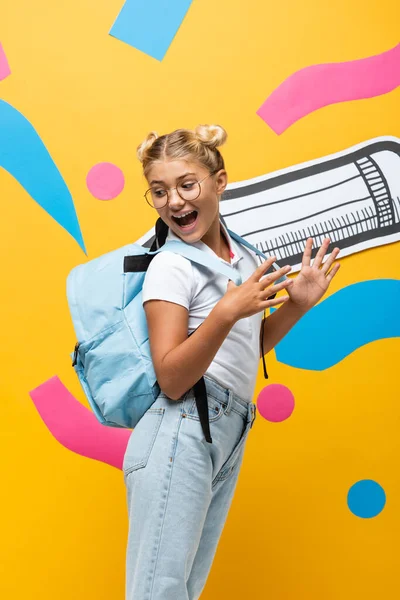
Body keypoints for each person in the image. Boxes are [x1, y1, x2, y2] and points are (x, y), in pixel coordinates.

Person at [122, 124, 340, 600]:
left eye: (187, 184)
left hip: (227, 428)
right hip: (181, 428)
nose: (174, 202)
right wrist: (225, 311)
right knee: (158, 592)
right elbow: (173, 377)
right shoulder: (171, 265)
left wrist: (297, 304)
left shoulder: (240, 259)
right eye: (159, 192)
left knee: (184, 590)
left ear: (219, 182)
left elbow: (246, 345)